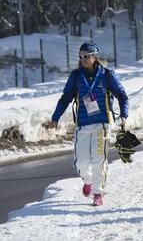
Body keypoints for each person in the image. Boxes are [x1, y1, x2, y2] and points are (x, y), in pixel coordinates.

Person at [50, 42, 129, 206]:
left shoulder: (107, 75)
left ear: (95, 56)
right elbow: (65, 98)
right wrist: (55, 117)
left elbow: (122, 95)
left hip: (102, 123)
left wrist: (124, 114)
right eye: (80, 56)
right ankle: (88, 181)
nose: (83, 59)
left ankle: (98, 192)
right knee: (81, 162)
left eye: (86, 56)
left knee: (99, 160)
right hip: (82, 124)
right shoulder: (76, 76)